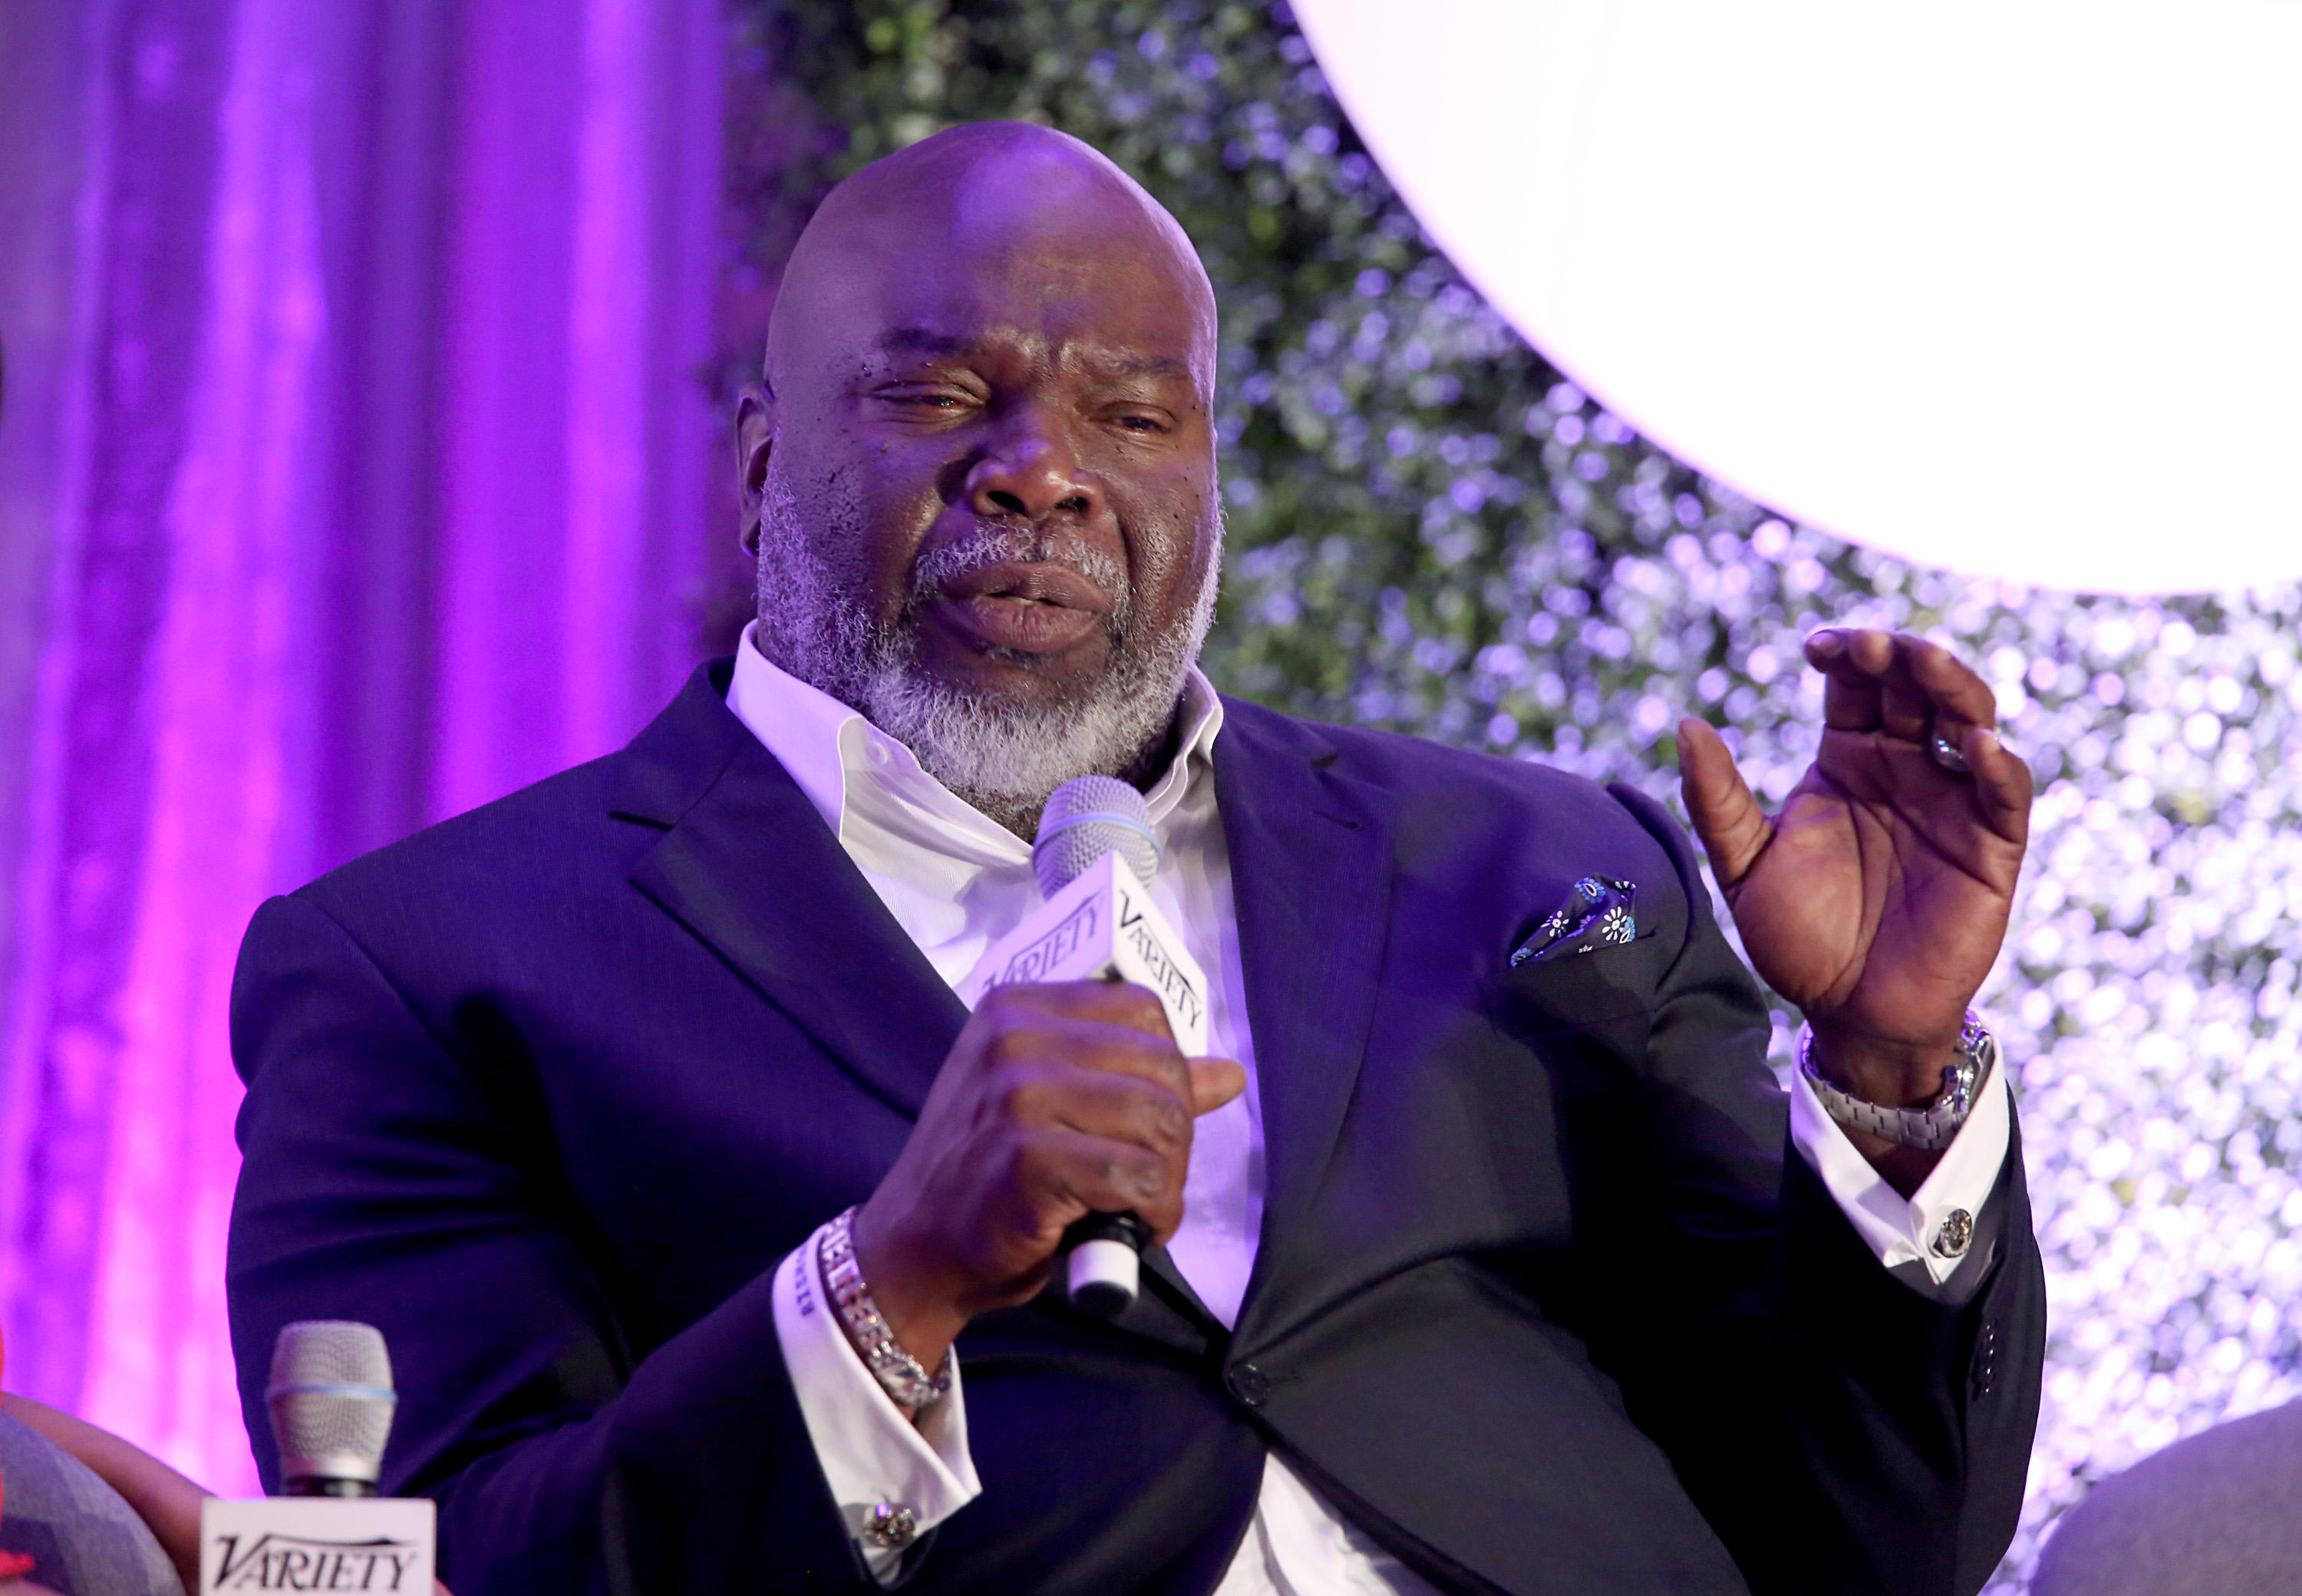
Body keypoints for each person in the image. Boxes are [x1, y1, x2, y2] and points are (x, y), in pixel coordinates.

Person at [226, 122, 2043, 1594]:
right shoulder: (434, 963)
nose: (1046, 472)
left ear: (1207, 486)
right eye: (942, 397)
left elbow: (1876, 1544)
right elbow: (441, 1562)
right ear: (765, 467)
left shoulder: (1537, 857)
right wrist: (887, 1284)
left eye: (1135, 414)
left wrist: (1889, 1079)